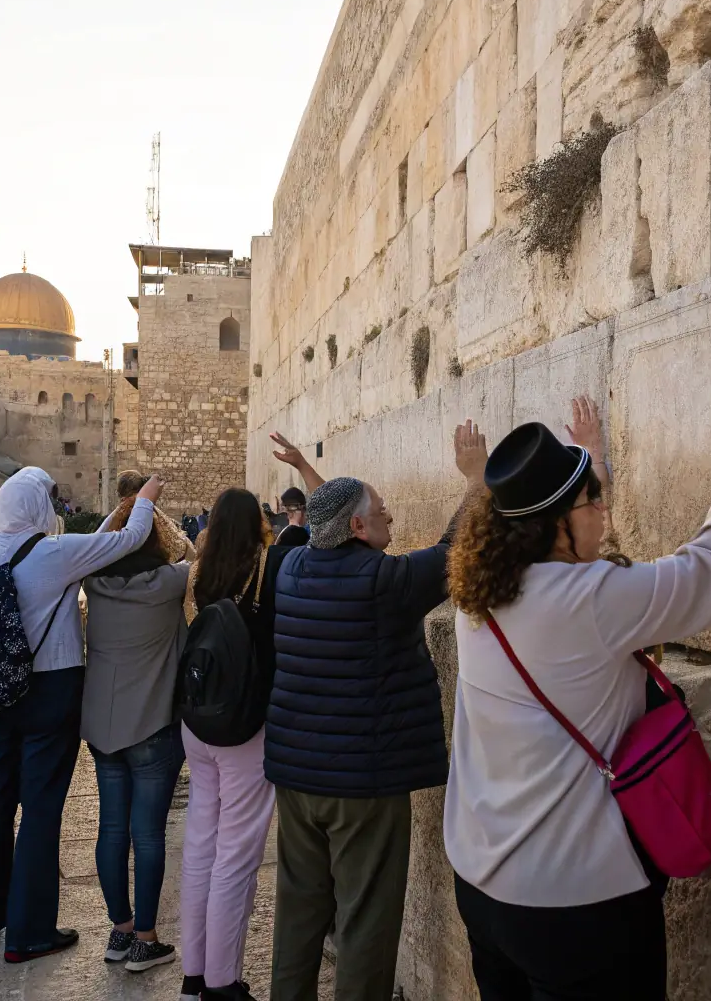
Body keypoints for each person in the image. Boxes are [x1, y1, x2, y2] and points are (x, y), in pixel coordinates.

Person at [443, 358, 711, 1001]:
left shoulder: (474, 600)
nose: (604, 511)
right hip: (574, 905)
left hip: (482, 888)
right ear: (556, 525)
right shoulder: (591, 603)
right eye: (594, 499)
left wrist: (588, 460)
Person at [266, 421, 485, 1001]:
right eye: (383, 513)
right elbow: (452, 548)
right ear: (359, 528)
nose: (392, 520)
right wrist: (476, 482)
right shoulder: (385, 582)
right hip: (362, 784)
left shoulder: (290, 570)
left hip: (296, 778)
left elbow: (325, 517)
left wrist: (307, 474)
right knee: (366, 919)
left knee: (299, 914)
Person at [0, 466, 164, 964]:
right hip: (50, 690)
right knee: (41, 809)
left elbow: (82, 549)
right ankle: (29, 932)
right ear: (38, 507)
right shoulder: (53, 553)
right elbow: (132, 537)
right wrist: (144, 498)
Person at [179, 432, 324, 1001]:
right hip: (246, 725)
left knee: (201, 843)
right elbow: (328, 527)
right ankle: (222, 983)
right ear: (259, 523)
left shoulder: (199, 571)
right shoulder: (273, 565)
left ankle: (195, 975)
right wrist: (305, 469)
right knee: (236, 856)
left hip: (199, 720)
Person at [82, 497, 195, 973]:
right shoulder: (170, 582)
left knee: (111, 829)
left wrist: (121, 515)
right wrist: (149, 510)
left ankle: (120, 930)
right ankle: (146, 939)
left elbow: (94, 547)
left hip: (103, 729)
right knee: (148, 834)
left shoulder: (94, 582)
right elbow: (193, 549)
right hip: (151, 723)